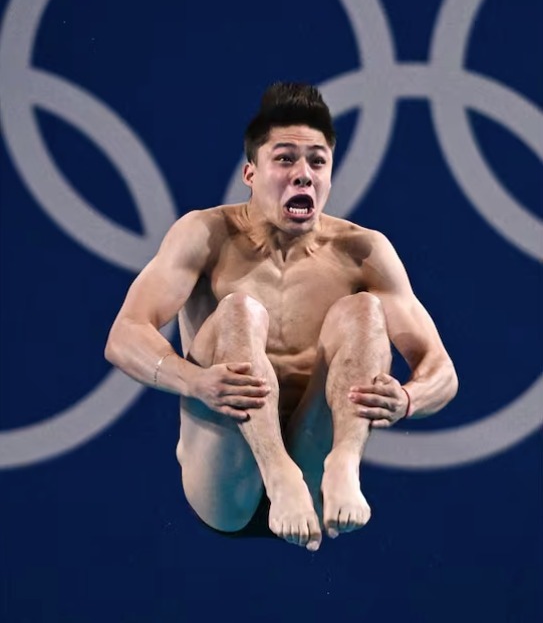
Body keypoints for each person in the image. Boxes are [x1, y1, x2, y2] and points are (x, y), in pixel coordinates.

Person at [105, 82, 458, 552]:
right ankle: (276, 471)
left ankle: (343, 464)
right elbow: (124, 335)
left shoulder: (362, 252)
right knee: (239, 311)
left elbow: (442, 370)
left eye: (317, 161)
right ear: (250, 173)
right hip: (224, 478)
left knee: (364, 311)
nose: (303, 175)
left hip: (313, 479)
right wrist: (193, 380)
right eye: (285, 159)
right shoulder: (205, 234)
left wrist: (407, 400)